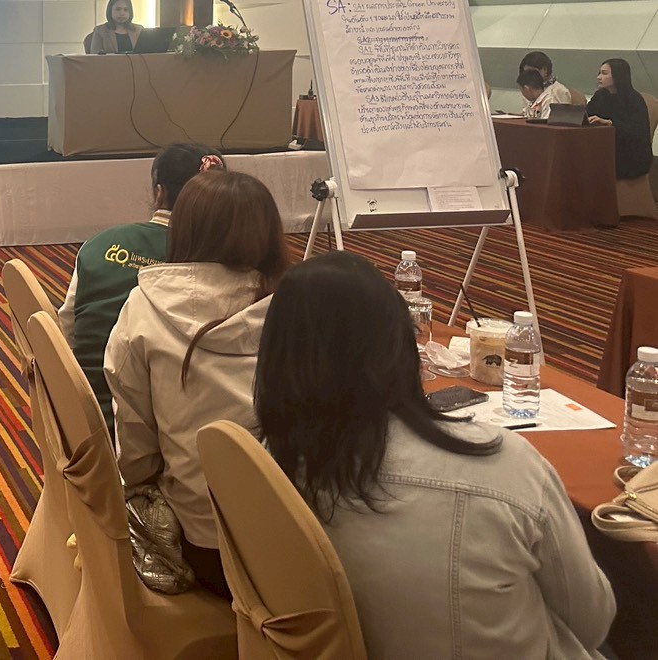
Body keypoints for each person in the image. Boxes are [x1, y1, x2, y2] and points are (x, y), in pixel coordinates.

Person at [255, 251, 615, 659]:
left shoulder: (269, 466)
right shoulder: (503, 463)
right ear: (402, 345)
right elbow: (592, 621)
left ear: (275, 354)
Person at [104, 170, 287, 597]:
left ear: (182, 227)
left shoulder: (143, 306)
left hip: (200, 544)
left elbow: (134, 442)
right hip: (299, 548)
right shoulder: (299, 307)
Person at [59, 143, 225, 436]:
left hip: (82, 417)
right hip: (160, 437)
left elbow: (67, 330)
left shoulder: (98, 244)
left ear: (159, 193)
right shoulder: (223, 266)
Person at [585, 57, 654, 180]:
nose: (599, 77)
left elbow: (636, 131)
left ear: (618, 76)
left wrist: (610, 123)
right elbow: (586, 115)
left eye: (604, 73)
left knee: (587, 164)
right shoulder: (600, 95)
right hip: (606, 147)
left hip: (630, 155)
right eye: (599, 73)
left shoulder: (633, 99)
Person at [517, 50, 573, 115]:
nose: (528, 77)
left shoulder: (557, 92)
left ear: (545, 70)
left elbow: (554, 119)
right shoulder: (529, 88)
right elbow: (526, 114)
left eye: (532, 72)